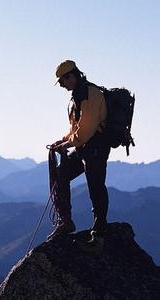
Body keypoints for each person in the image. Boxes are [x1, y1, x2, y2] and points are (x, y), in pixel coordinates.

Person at [46, 60, 110, 248]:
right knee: (61, 174)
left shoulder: (91, 94)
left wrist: (66, 144)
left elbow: (86, 130)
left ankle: (99, 234)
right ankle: (65, 221)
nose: (62, 86)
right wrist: (63, 141)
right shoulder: (79, 95)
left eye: (63, 81)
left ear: (71, 76)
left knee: (95, 186)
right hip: (85, 148)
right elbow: (77, 128)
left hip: (95, 148)